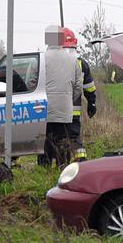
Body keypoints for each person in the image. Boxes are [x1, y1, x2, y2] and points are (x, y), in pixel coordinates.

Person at [44, 26, 83, 166]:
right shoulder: (72, 60)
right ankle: (63, 166)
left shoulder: (41, 58)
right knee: (63, 139)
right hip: (65, 108)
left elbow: (32, 82)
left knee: (46, 139)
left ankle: (45, 167)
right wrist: (69, 99)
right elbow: (79, 86)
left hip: (44, 108)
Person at [61, 28, 97, 160]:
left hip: (54, 111)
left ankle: (55, 164)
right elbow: (90, 88)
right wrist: (92, 103)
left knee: (54, 137)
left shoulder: (50, 62)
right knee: (74, 137)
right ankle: (81, 161)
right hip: (73, 111)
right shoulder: (82, 64)